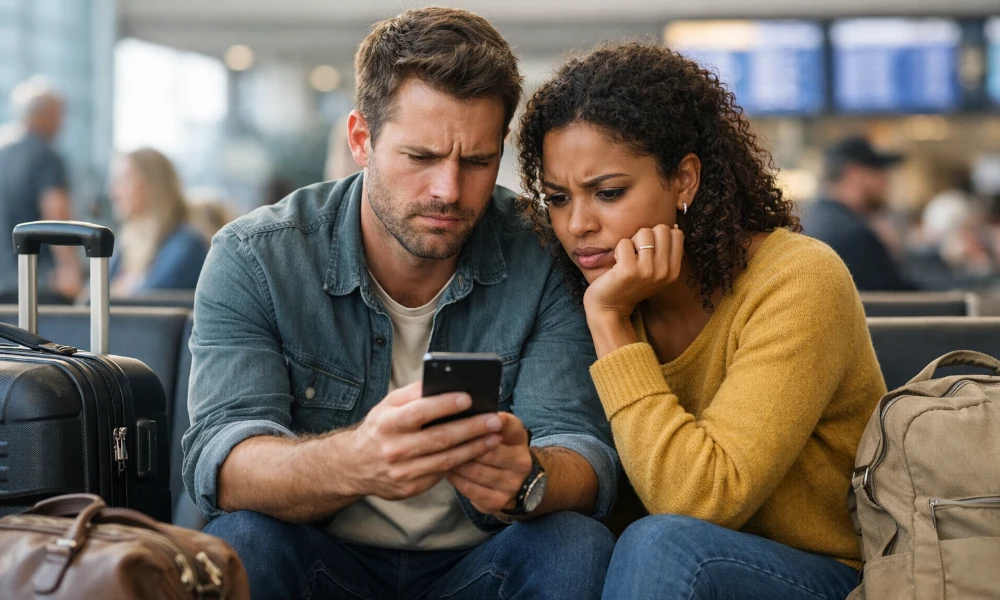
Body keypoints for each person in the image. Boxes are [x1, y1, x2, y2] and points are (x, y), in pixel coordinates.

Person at [183, 8, 617, 600]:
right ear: (362, 140)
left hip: (482, 560)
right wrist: (354, 461)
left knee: (575, 543)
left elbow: (581, 450)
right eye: (421, 157)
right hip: (322, 558)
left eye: (477, 161)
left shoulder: (541, 252)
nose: (449, 190)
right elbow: (222, 460)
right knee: (243, 538)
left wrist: (530, 477)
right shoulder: (257, 257)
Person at [517, 42, 886, 600]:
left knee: (662, 544)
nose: (578, 225)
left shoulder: (798, 279)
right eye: (558, 198)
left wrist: (611, 321)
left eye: (608, 193)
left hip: (825, 575)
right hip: (663, 576)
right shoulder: (591, 290)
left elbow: (698, 500)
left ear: (684, 180)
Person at [0, 77, 82, 298]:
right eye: (60, 115)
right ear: (45, 116)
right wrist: (69, 269)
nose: (62, 124)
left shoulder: (3, 152)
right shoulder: (46, 156)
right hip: (38, 281)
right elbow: (56, 215)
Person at [802, 135, 916, 291]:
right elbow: (901, 296)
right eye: (878, 171)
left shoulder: (815, 218)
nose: (886, 182)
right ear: (854, 174)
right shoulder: (853, 234)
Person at [107, 148, 208, 295]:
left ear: (152, 185)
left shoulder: (186, 244)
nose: (114, 191)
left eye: (124, 180)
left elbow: (147, 301)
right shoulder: (127, 244)